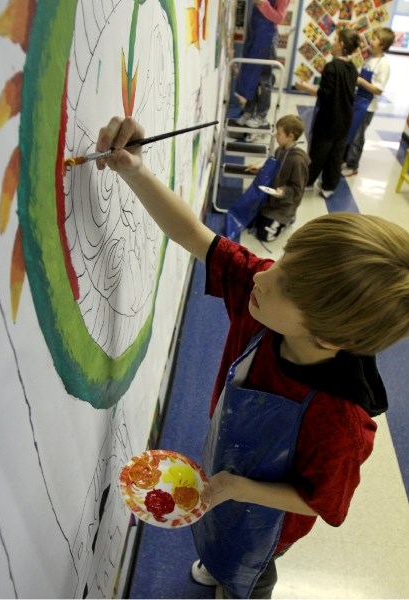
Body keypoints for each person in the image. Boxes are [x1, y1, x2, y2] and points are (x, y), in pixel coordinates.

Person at [96, 116, 409, 600]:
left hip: (270, 521)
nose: (264, 276)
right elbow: (195, 237)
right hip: (226, 471)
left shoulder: (339, 420)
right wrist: (135, 171)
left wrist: (237, 489)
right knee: (220, 535)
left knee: (248, 568)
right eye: (282, 262)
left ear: (326, 338)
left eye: (284, 283)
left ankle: (239, 584)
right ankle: (220, 563)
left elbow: (320, 502)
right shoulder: (270, 298)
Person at [295, 28, 360, 199]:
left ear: (341, 44)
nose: (332, 43)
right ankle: (329, 187)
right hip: (346, 118)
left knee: (318, 151)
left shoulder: (332, 67)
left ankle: (308, 182)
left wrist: (304, 87)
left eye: (335, 40)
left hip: (329, 117)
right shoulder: (353, 68)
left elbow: (325, 93)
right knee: (336, 153)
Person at [342, 27, 396, 177]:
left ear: (383, 45)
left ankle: (353, 166)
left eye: (375, 38)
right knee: (351, 132)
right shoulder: (370, 59)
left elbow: (379, 89)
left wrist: (361, 81)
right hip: (357, 101)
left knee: (358, 137)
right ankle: (346, 159)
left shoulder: (383, 64)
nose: (371, 41)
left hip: (367, 106)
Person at [253, 114, 310, 241]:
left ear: (290, 136)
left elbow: (297, 191)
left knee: (264, 235)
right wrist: (261, 170)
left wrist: (283, 192)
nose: (275, 136)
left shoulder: (298, 161)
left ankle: (287, 219)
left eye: (279, 133)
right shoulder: (280, 150)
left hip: (284, 207)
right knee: (251, 222)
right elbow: (274, 170)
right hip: (271, 202)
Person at [235, 0, 289, 129]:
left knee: (264, 80)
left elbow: (279, 18)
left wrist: (262, 4)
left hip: (267, 37)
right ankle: (249, 110)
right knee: (251, 74)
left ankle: (261, 115)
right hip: (255, 32)